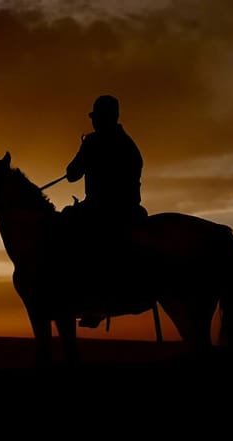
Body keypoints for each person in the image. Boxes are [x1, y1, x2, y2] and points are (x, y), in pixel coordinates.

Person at [62, 95, 149, 327]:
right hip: (130, 208)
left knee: (66, 230)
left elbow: (72, 173)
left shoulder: (93, 143)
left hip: (101, 208)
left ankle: (84, 297)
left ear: (102, 118)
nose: (94, 122)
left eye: (96, 118)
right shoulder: (129, 144)